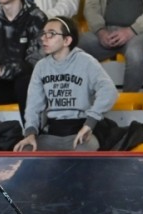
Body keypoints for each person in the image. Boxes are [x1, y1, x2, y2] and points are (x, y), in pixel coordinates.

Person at [14, 16, 118, 152]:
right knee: (24, 150)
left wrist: (90, 124)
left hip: (80, 131)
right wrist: (30, 133)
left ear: (67, 40)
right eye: (43, 34)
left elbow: (109, 91)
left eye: (51, 34)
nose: (44, 38)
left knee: (82, 154)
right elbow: (33, 105)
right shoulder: (41, 66)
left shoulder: (86, 61)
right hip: (52, 131)